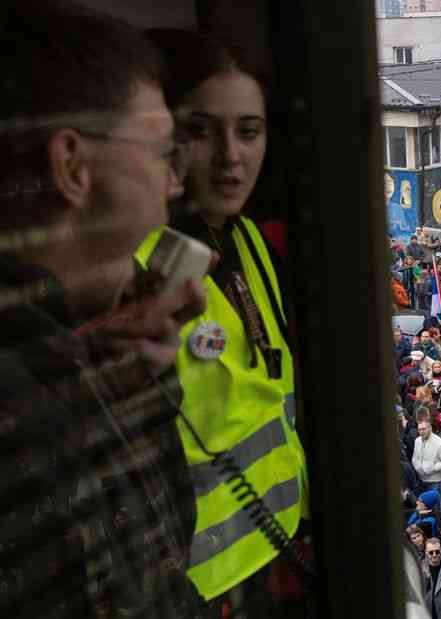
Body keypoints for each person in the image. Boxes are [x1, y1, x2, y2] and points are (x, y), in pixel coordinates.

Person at [0, 4, 206, 616]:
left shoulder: (77, 358)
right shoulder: (24, 412)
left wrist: (134, 388)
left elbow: (157, 569)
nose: (175, 185)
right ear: (72, 166)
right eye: (163, 153)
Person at [141, 28, 311, 604]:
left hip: (279, 550)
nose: (230, 157)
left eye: (248, 131)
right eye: (199, 130)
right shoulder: (139, 280)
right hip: (198, 587)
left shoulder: (254, 243)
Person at [415, 419, 441, 494]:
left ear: (430, 428)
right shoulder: (417, 441)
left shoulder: (440, 443)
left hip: (435, 482)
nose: (421, 432)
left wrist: (434, 468)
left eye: (423, 429)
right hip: (421, 480)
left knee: (434, 505)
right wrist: (418, 467)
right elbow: (415, 458)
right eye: (419, 430)